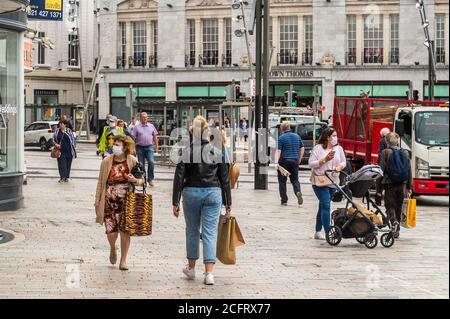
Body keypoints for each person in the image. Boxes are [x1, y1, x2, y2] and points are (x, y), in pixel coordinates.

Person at [172, 116, 232, 286]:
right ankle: (209, 273)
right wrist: (228, 202)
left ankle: (191, 269)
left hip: (191, 192)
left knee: (192, 230)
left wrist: (175, 201)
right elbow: (225, 179)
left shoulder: (186, 152)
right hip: (213, 192)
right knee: (210, 232)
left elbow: (179, 177)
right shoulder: (217, 151)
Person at [94, 136, 144, 271]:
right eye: (114, 144)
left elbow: (141, 180)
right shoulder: (106, 161)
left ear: (125, 147)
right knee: (111, 232)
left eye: (118, 145)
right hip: (109, 201)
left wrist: (134, 179)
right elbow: (100, 182)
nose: (115, 146)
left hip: (126, 202)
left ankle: (123, 260)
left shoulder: (132, 160)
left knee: (125, 232)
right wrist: (97, 201)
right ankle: (112, 248)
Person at [308, 128, 346, 240]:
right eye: (334, 135)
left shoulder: (338, 148)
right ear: (327, 137)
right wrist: (324, 160)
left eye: (336, 135)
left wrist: (340, 166)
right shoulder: (318, 148)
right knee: (326, 205)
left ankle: (317, 231)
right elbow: (311, 164)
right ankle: (328, 232)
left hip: (333, 180)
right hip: (320, 181)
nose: (336, 137)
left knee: (323, 206)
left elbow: (343, 161)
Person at [378, 132, 412, 239]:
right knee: (399, 206)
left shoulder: (385, 153)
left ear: (386, 141)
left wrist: (378, 188)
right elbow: (409, 170)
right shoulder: (405, 153)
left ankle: (394, 223)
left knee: (390, 206)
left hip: (389, 184)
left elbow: (380, 171)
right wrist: (409, 187)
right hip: (402, 184)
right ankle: (396, 232)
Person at [275, 122, 305, 206]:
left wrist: (276, 162)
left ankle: (284, 200)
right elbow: (302, 148)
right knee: (295, 179)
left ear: (282, 129)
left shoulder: (281, 138)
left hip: (284, 161)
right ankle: (297, 191)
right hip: (295, 160)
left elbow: (278, 151)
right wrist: (299, 159)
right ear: (289, 128)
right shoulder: (297, 136)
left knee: (282, 181)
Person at [131, 112, 159, 187]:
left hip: (149, 147)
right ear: (140, 118)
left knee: (151, 162)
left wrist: (156, 146)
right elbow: (133, 138)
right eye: (144, 117)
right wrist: (133, 149)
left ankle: (150, 179)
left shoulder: (151, 126)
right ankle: (143, 179)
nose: (145, 118)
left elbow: (155, 137)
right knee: (141, 164)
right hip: (139, 147)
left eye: (146, 117)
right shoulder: (136, 127)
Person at [375, 127, 391, 205]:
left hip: (383, 162)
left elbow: (380, 152)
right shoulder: (392, 140)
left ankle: (378, 200)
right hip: (391, 164)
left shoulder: (382, 141)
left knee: (379, 181)